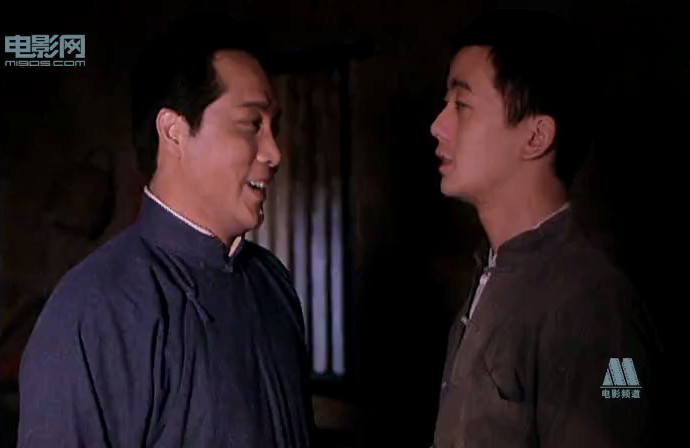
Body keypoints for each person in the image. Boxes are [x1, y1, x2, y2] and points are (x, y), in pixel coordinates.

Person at [18, 13, 313, 448]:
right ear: (174, 132)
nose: (274, 152)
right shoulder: (93, 310)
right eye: (252, 124)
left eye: (275, 127)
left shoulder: (273, 283)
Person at [430, 10, 660, 448]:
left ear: (535, 137)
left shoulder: (598, 309)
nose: (437, 125)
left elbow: (621, 414)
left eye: (461, 105)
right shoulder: (491, 276)